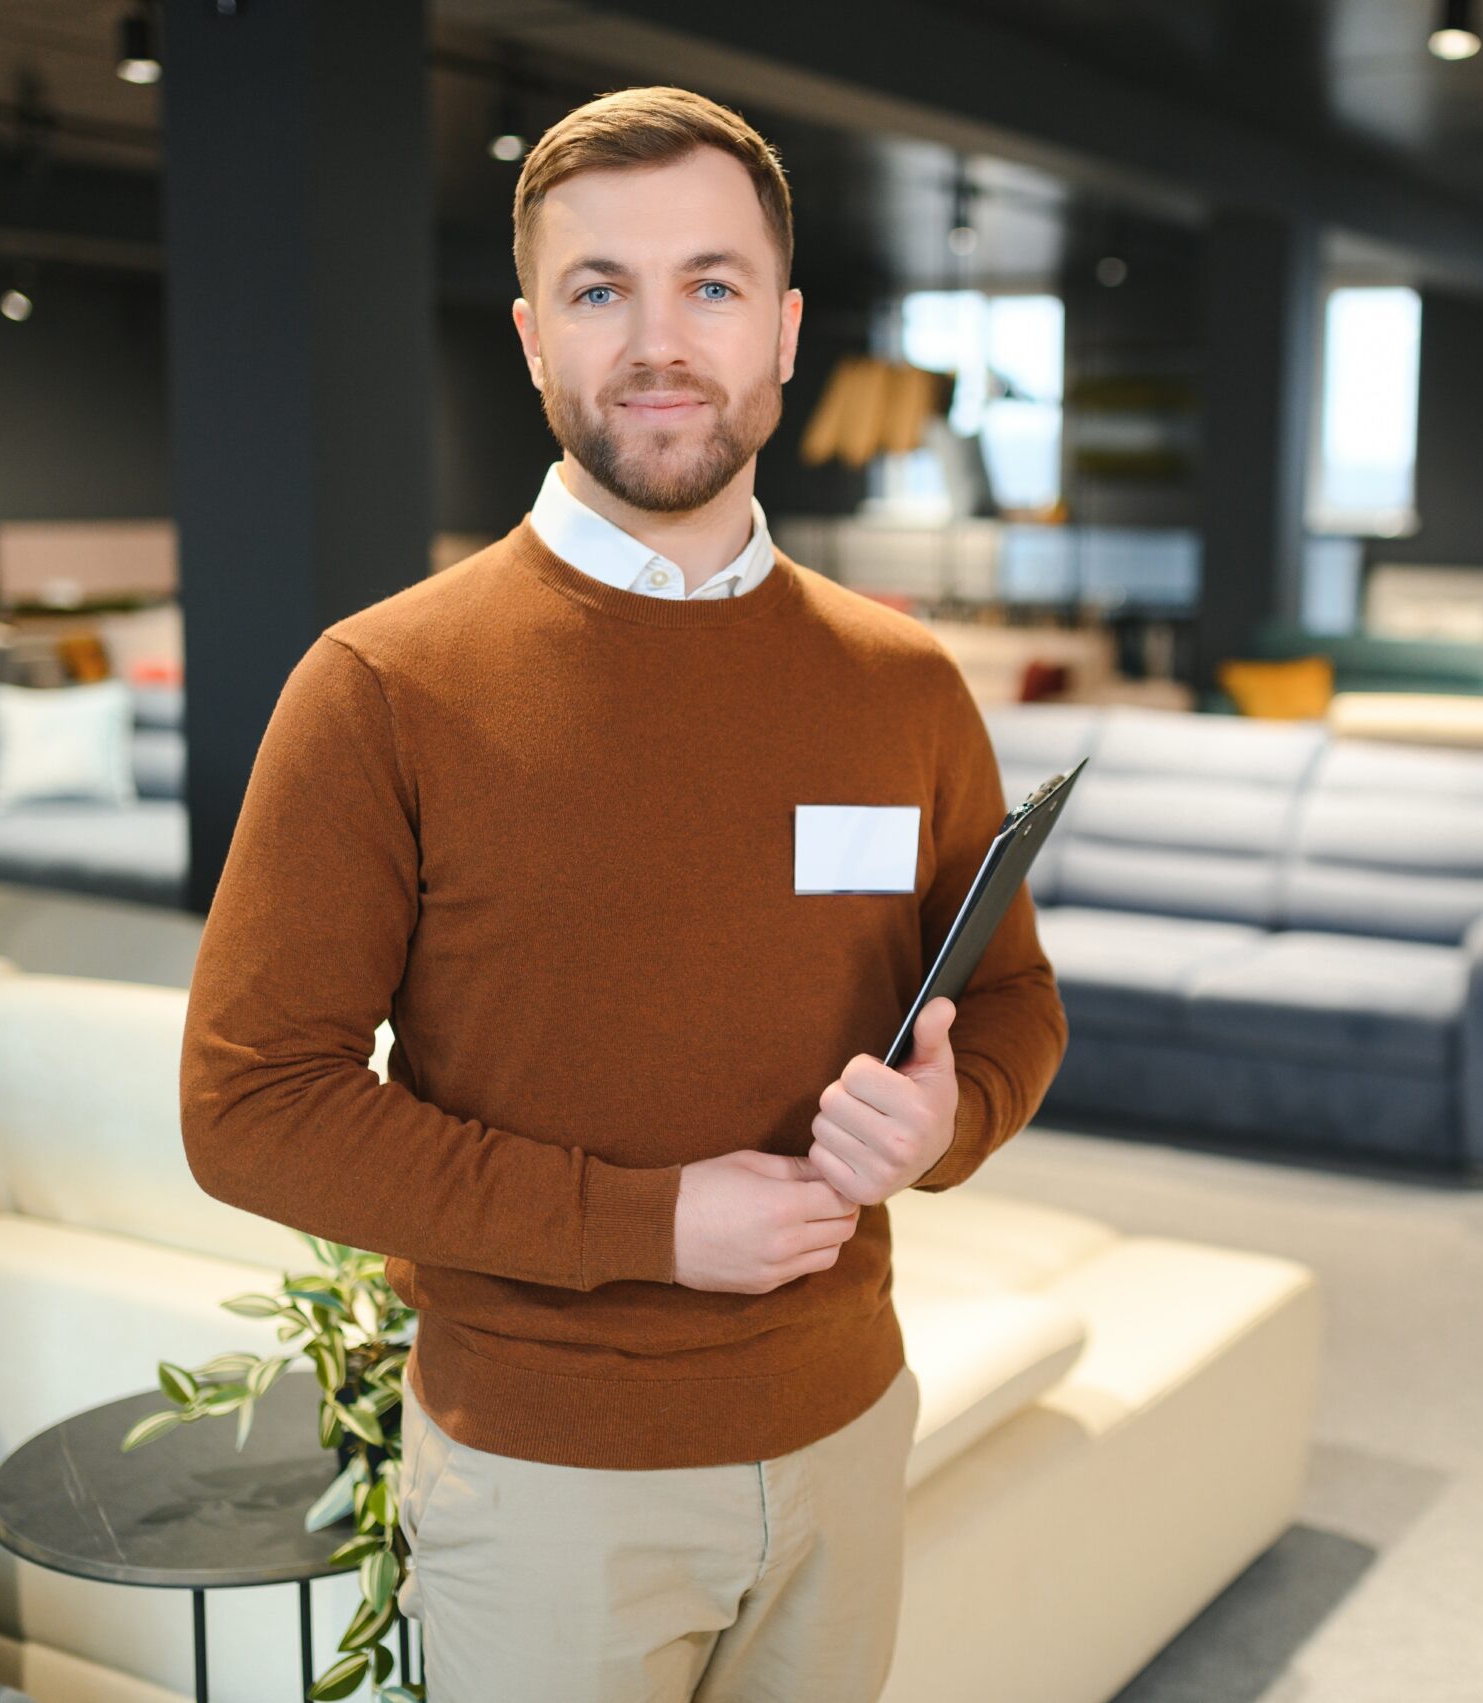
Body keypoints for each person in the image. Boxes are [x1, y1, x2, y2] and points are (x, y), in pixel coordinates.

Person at [177, 84, 1069, 1703]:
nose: (661, 343)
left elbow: (1011, 999)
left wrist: (951, 1122)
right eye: (603, 291)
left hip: (850, 1431)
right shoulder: (382, 684)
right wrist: (649, 1225)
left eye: (712, 286)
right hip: (548, 1487)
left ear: (787, 329)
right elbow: (251, 1108)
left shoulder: (903, 680)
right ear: (533, 336)